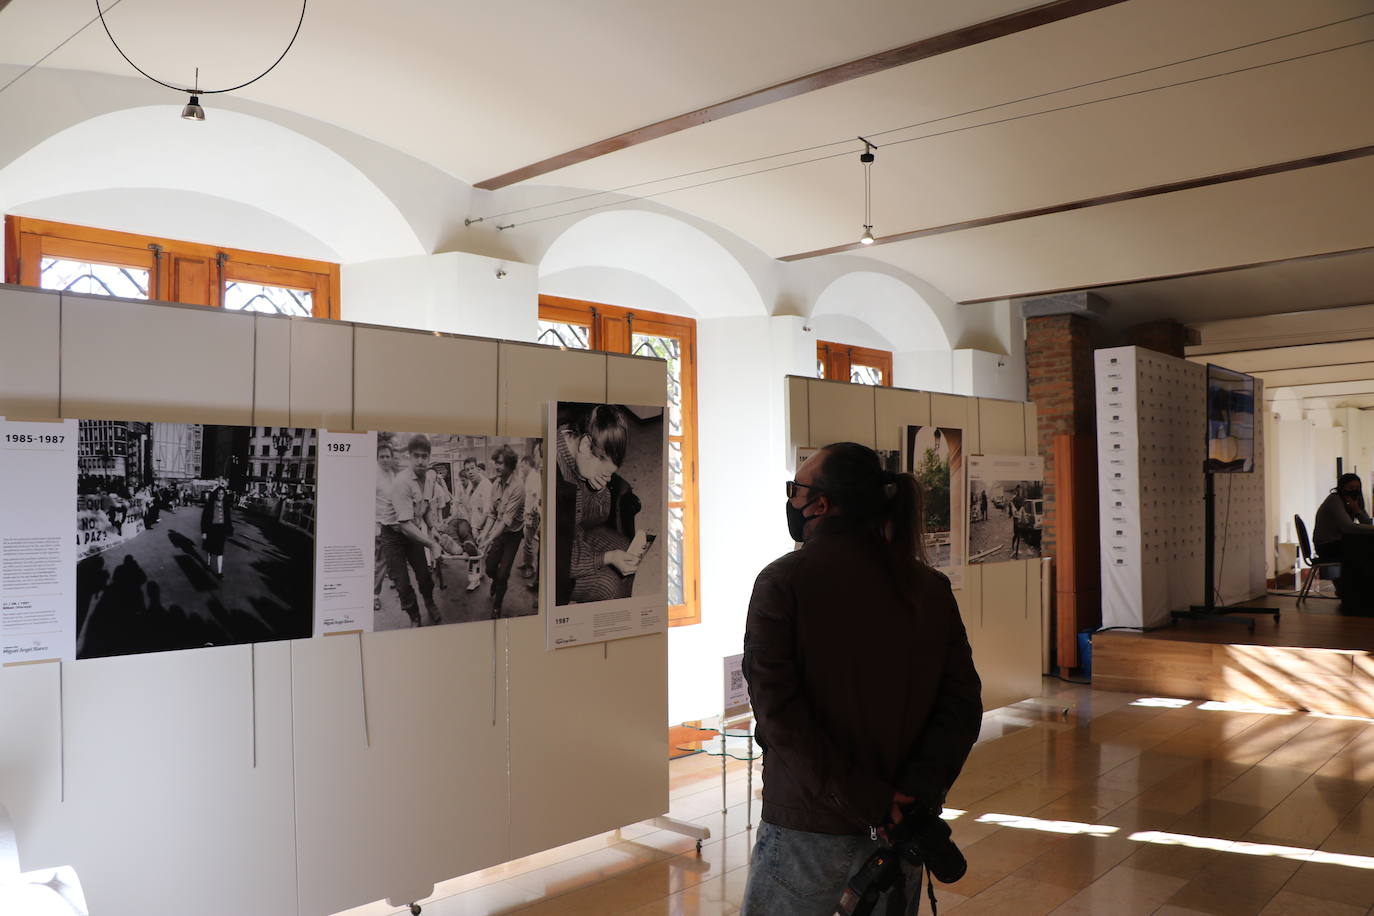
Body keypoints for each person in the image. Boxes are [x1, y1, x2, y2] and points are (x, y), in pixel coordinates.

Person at [741, 442, 982, 916]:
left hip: (810, 825)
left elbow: (779, 717)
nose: (792, 501)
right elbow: (960, 705)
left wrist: (871, 801)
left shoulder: (783, 582)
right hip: (901, 826)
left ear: (821, 505)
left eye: (797, 490)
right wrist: (910, 796)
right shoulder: (927, 587)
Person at [553, 405, 642, 605]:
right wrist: (607, 558)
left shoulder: (583, 456)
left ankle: (620, 612)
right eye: (604, 473)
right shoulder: (553, 478)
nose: (607, 479)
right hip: (558, 561)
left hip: (577, 534)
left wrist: (599, 490)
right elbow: (561, 560)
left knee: (629, 554)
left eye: (610, 474)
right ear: (585, 446)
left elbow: (595, 520)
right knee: (609, 585)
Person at [377, 434, 445, 627]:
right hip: (392, 536)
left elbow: (426, 507)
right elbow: (405, 525)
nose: (421, 460)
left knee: (424, 575)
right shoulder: (402, 482)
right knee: (402, 583)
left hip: (412, 531)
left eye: (425, 456)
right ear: (409, 457)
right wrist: (431, 544)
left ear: (429, 458)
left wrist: (432, 528)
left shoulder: (430, 479)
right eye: (416, 456)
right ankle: (414, 615)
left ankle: (430, 602)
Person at [478, 445, 526, 618]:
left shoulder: (518, 487)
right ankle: (496, 582)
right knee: (491, 568)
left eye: (501, 464)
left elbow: (506, 521)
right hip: (499, 531)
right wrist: (484, 534)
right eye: (496, 463)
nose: (497, 467)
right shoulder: (496, 483)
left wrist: (489, 539)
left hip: (512, 534)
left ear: (510, 466)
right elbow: (492, 513)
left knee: (503, 573)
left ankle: (497, 605)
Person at [1313, 473, 1374, 598]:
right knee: (1366, 550)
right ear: (1342, 487)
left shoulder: (1354, 501)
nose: (1355, 491)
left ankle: (1353, 591)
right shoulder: (1334, 500)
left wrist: (1357, 510)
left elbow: (1367, 523)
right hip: (1327, 546)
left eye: (1357, 488)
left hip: (1340, 543)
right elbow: (1348, 527)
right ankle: (1353, 592)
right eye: (1351, 488)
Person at [374, 439, 398, 611]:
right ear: (377, 458)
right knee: (380, 562)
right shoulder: (374, 475)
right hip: (378, 524)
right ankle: (374, 595)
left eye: (388, 456)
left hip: (391, 523)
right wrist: (374, 525)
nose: (385, 459)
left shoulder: (391, 475)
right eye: (382, 456)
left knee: (387, 560)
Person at [200, 479, 234, 578]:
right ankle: (208, 564)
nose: (220, 495)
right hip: (211, 529)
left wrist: (229, 529)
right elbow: (204, 519)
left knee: (220, 551)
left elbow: (228, 519)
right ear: (216, 494)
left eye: (222, 494)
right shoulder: (210, 504)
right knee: (210, 549)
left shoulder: (226, 506)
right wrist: (204, 532)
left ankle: (219, 572)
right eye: (219, 493)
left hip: (221, 530)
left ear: (224, 495)